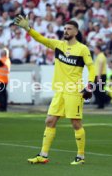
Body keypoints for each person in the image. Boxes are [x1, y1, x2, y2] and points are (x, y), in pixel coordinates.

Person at [14, 15, 95, 165]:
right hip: (60, 91)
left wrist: (90, 85)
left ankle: (81, 156)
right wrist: (28, 28)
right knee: (50, 121)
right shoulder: (58, 45)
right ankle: (43, 155)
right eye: (64, 28)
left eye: (69, 29)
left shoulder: (82, 49)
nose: (66, 30)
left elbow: (91, 67)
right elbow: (40, 38)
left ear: (76, 32)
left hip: (74, 91)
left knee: (76, 123)